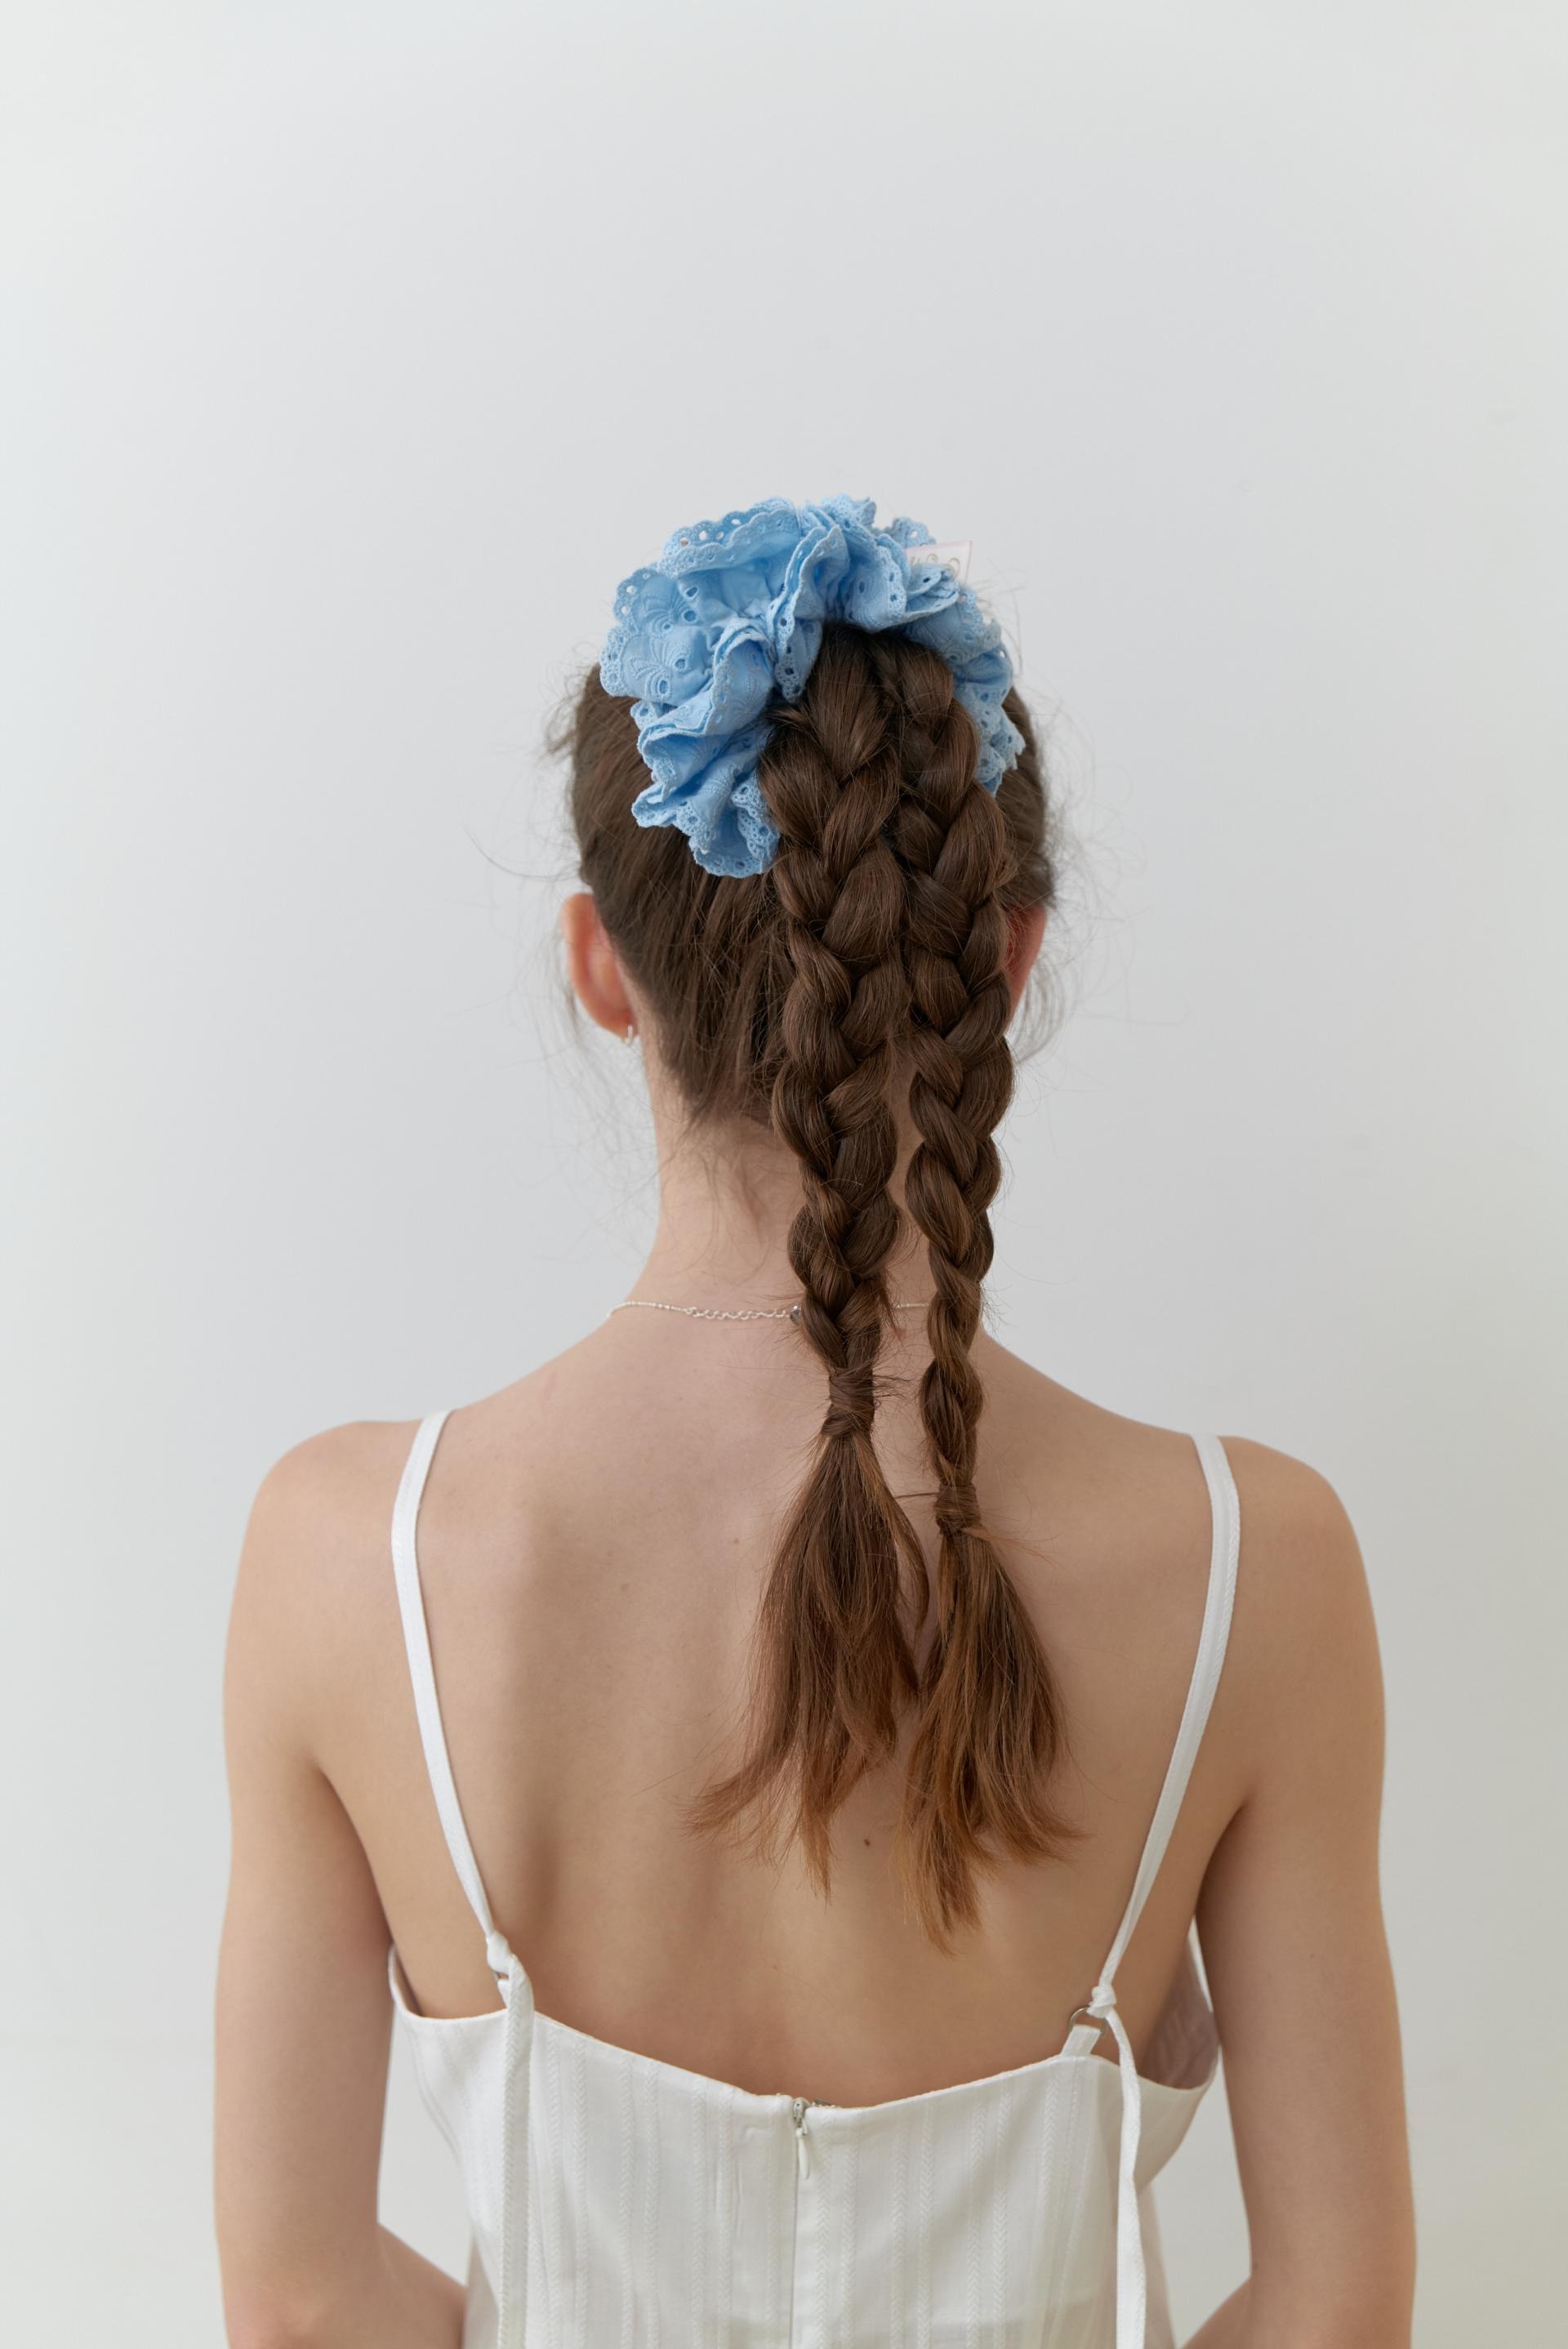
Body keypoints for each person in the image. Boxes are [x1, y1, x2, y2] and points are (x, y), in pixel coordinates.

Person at [215, 497, 1415, 2348]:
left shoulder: (347, 1555)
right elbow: (1339, 2308)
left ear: (599, 969)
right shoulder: (1258, 1563)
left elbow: (299, 2307)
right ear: (1005, 962)